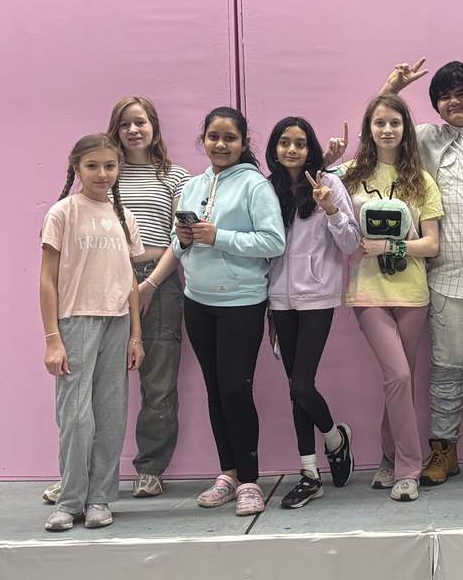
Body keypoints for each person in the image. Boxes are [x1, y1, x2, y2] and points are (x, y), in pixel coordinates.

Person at [42, 97, 190, 504]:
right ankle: (77, 480)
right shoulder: (106, 171)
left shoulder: (175, 176)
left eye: (140, 122)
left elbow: (181, 238)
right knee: (86, 395)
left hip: (158, 282)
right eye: (124, 124)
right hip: (100, 286)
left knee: (157, 382)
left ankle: (149, 469)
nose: (133, 130)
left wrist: (151, 285)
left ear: (154, 126)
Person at [380, 58, 463, 486]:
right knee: (446, 367)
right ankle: (444, 450)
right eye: (444, 96)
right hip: (445, 274)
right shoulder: (424, 140)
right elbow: (382, 129)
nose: (454, 101)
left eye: (462, 93)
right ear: (435, 105)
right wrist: (392, 86)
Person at [172, 107, 285, 517]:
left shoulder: (255, 186)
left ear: (243, 142)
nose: (220, 145)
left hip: (241, 303)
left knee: (237, 390)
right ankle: (228, 473)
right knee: (215, 392)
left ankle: (251, 482)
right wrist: (184, 238)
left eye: (229, 138)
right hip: (197, 301)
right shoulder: (191, 185)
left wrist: (219, 236)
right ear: (203, 139)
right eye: (213, 137)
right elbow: (175, 244)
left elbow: (274, 242)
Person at [40, 134, 145, 531]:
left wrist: (136, 336)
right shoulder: (62, 213)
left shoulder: (124, 216)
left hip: (117, 323)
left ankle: (99, 498)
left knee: (111, 416)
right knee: (76, 418)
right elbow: (47, 280)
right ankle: (69, 501)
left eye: (110, 166)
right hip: (75, 322)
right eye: (93, 166)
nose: (103, 174)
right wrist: (53, 338)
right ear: (77, 167)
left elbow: (130, 281)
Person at [342, 94, 443, 503]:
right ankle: (408, 469)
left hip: (413, 294)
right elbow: (334, 223)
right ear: (369, 129)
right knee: (399, 377)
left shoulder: (422, 180)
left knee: (399, 381)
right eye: (379, 122)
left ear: (405, 130)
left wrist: (390, 248)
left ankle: (388, 457)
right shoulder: (347, 175)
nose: (387, 129)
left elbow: (432, 245)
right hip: (368, 293)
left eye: (395, 123)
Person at [265, 117, 360, 508]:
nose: (292, 149)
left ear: (311, 148)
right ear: (274, 149)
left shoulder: (329, 182)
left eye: (300, 143)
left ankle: (335, 438)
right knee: (294, 390)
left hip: (317, 297)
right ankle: (309, 472)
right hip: (277, 301)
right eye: (284, 143)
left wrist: (332, 210)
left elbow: (352, 243)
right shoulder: (266, 188)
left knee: (301, 385)